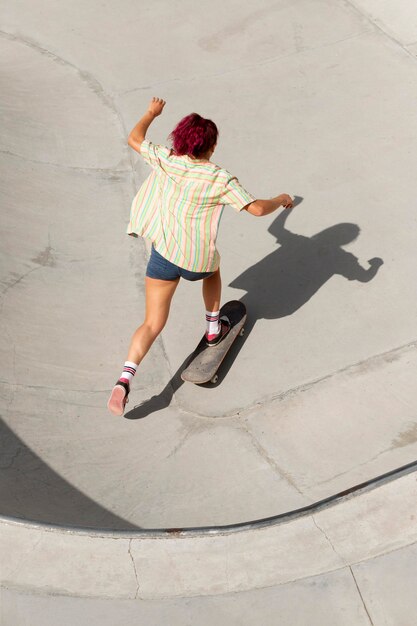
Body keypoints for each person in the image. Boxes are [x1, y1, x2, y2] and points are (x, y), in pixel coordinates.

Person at [107, 97, 293, 415]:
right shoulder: (219, 178)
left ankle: (124, 379)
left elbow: (134, 138)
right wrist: (281, 199)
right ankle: (212, 328)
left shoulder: (168, 159)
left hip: (163, 254)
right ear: (211, 146)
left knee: (152, 322)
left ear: (179, 140)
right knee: (214, 269)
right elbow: (258, 209)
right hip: (196, 261)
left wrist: (151, 113)